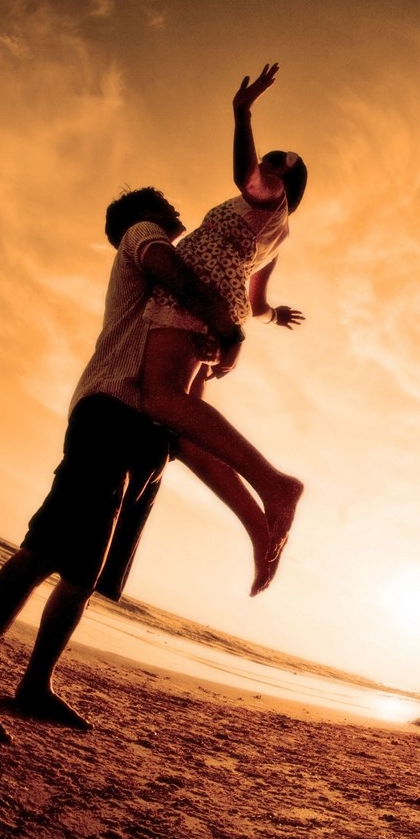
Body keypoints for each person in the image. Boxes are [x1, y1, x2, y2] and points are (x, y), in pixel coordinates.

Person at [0, 187, 244, 742]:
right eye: (164, 203)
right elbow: (179, 277)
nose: (176, 211)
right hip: (111, 411)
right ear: (142, 214)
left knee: (85, 573)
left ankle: (35, 685)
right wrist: (228, 327)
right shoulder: (140, 236)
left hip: (146, 430)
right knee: (43, 550)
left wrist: (207, 350)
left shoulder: (164, 290)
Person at [134, 63, 308, 597]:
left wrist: (242, 112)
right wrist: (274, 316)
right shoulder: (274, 233)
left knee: (159, 397)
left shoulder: (267, 197)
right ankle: (259, 529)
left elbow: (244, 175)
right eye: (268, 159)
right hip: (222, 305)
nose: (266, 165)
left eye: (275, 163)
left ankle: (275, 484)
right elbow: (255, 302)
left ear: (285, 180)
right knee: (185, 437)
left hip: (199, 293)